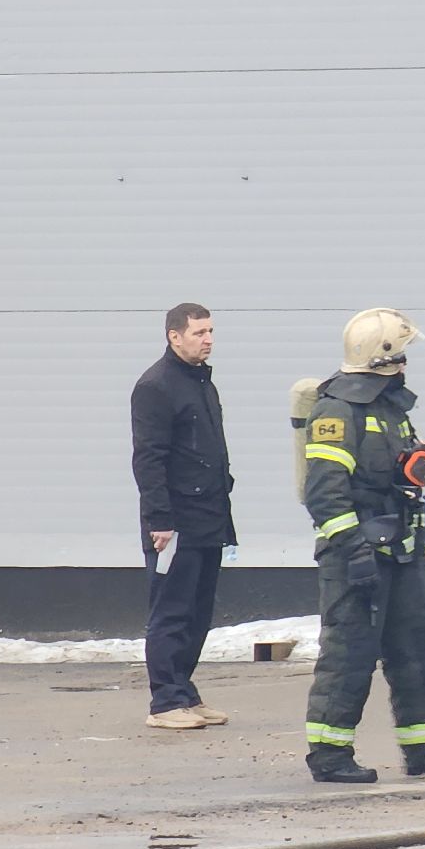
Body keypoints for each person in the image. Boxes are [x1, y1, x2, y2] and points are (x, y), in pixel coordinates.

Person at [300, 308, 425, 784]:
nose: (407, 363)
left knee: (419, 649)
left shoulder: (390, 408)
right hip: (355, 557)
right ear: (383, 356)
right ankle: (330, 756)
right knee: (349, 655)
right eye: (403, 352)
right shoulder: (336, 410)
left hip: (401, 551)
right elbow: (324, 493)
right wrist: (354, 552)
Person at [129, 303, 236, 731]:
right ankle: (164, 702)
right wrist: (160, 520)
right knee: (171, 610)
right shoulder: (156, 386)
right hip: (174, 522)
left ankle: (184, 692)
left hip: (209, 516)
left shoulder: (202, 383)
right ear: (174, 336)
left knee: (198, 610)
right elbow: (148, 459)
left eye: (210, 331)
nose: (208, 339)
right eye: (198, 333)